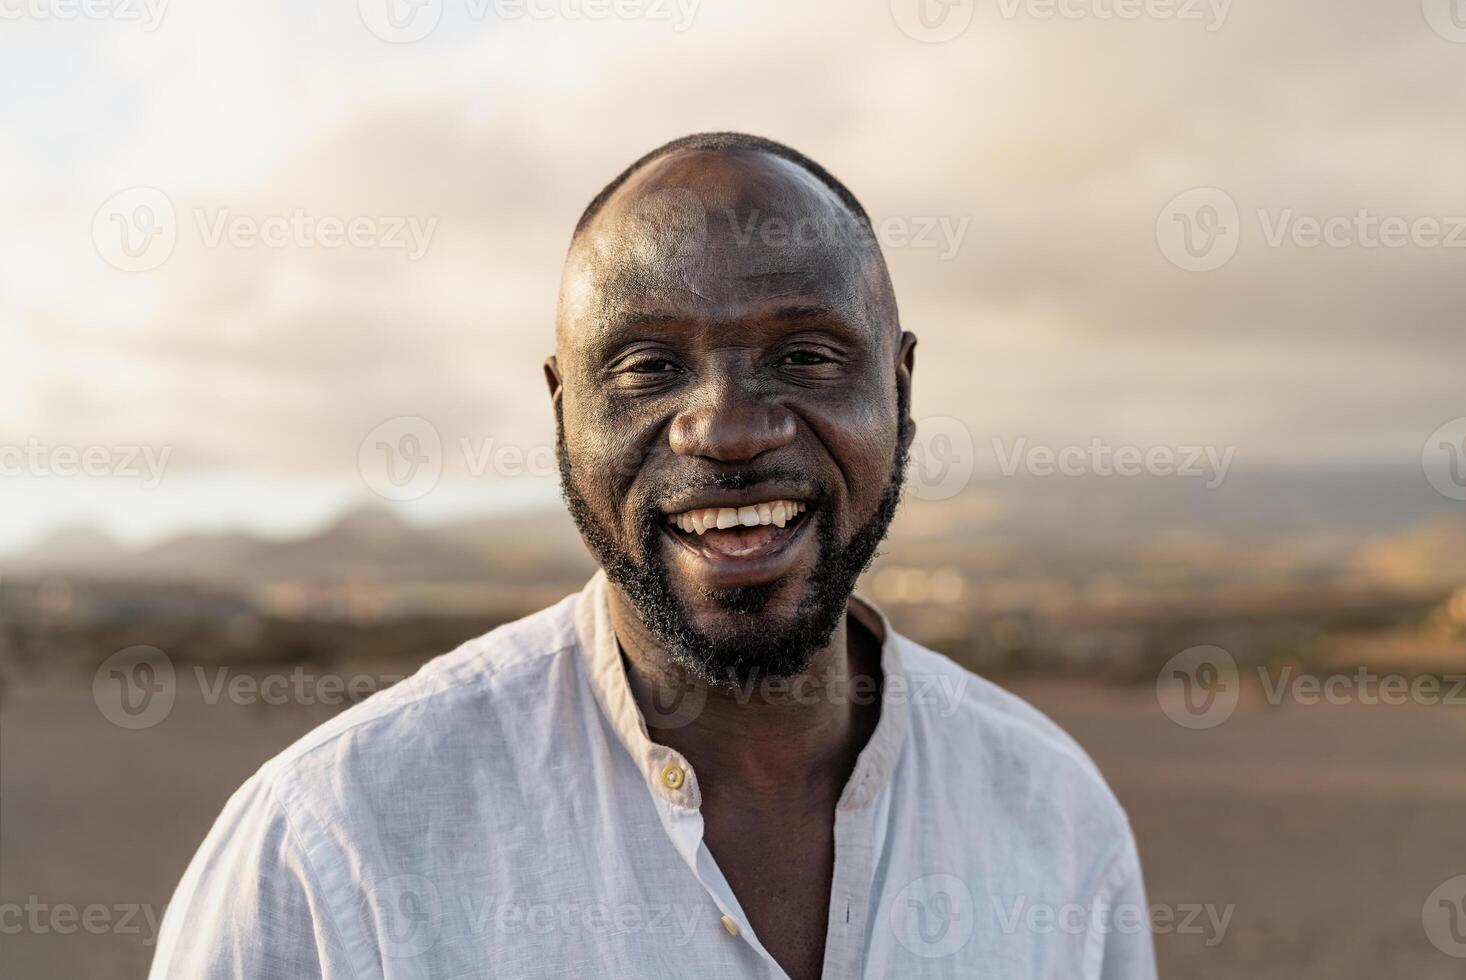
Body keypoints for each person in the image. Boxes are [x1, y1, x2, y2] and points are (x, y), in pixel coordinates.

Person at [150, 132, 1156, 979]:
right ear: (562, 412)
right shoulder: (337, 841)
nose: (724, 429)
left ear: (899, 389)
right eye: (647, 367)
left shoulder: (1052, 816)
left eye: (803, 354)